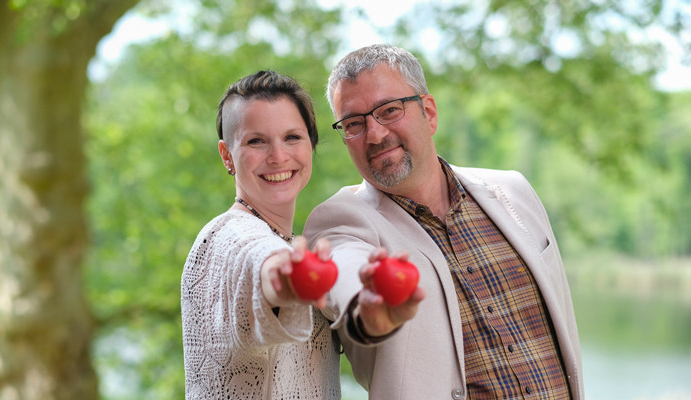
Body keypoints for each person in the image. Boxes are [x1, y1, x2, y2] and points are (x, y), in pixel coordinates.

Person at [304, 44, 584, 399]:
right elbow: (344, 270)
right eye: (354, 124)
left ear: (429, 112)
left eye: (389, 110)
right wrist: (367, 307)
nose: (374, 134)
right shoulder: (341, 219)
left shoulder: (514, 192)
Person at [180, 70, 421, 399]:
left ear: (311, 145)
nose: (278, 156)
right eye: (256, 141)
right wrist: (281, 276)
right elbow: (253, 258)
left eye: (292, 137)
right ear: (227, 156)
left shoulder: (291, 242)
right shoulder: (224, 237)